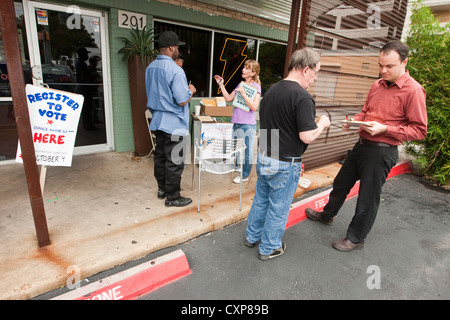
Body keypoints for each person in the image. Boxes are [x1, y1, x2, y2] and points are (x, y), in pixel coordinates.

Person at [305, 40, 427, 252]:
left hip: (383, 151)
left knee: (368, 198)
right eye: (380, 65)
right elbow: (365, 112)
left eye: (389, 66)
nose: (383, 70)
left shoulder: (414, 91)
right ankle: (327, 215)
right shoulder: (377, 84)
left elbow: (419, 130)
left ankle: (355, 238)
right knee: (341, 182)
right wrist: (353, 121)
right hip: (362, 145)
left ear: (404, 62)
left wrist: (385, 129)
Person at [245, 48, 330, 261]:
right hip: (285, 162)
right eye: (316, 72)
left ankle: (251, 236)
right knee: (278, 207)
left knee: (261, 199)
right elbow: (307, 136)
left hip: (265, 155)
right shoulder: (302, 98)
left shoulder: (271, 91)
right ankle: (269, 247)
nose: (315, 78)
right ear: (305, 69)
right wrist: (323, 124)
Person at [145, 31, 197, 207]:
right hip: (175, 123)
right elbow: (182, 99)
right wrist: (192, 91)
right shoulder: (176, 69)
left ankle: (162, 189)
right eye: (177, 48)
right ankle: (173, 197)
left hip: (158, 120)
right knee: (175, 161)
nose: (177, 51)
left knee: (160, 158)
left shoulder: (150, 68)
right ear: (171, 47)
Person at [214, 59, 261, 183]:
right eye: (244, 67)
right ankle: (236, 167)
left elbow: (254, 107)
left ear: (253, 72)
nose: (243, 69)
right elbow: (228, 98)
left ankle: (244, 175)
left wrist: (244, 94)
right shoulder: (240, 84)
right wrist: (221, 84)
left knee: (247, 151)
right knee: (236, 148)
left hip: (248, 125)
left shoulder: (256, 87)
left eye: (246, 68)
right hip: (236, 122)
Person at [75, 47, 97, 131]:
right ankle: (87, 124)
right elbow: (84, 77)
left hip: (86, 89)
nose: (87, 56)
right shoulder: (81, 64)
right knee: (87, 108)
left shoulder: (82, 64)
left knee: (88, 107)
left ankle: (88, 123)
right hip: (85, 89)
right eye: (86, 54)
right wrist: (92, 81)